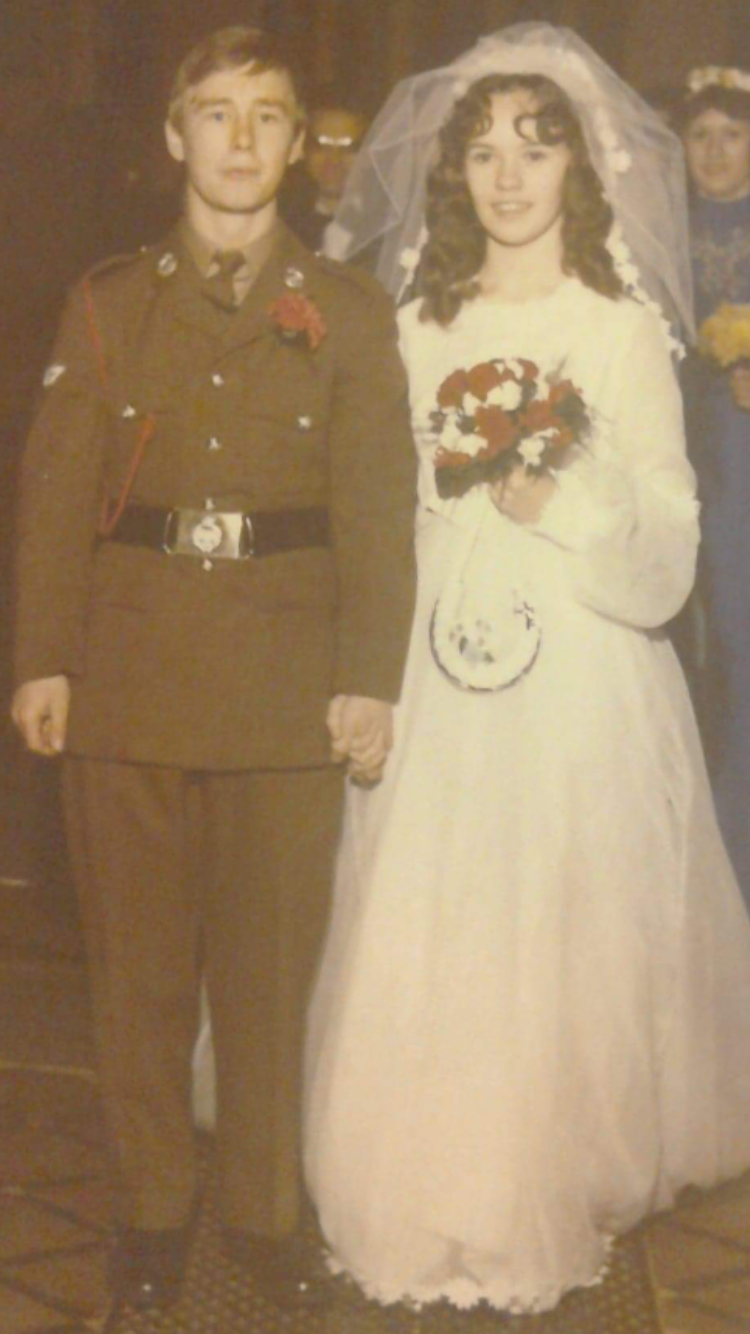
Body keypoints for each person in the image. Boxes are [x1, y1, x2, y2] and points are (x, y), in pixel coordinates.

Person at [304, 23, 750, 1315]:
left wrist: (547, 501)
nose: (507, 177)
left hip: (576, 669)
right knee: (425, 897)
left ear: (578, 169)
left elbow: (667, 546)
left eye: (535, 150)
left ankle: (539, 1165)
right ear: (452, 173)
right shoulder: (414, 321)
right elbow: (369, 508)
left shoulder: (613, 328)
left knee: (552, 911)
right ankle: (411, 1166)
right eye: (484, 152)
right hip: (434, 654)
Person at [11, 24, 416, 1315]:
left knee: (264, 974)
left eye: (267, 119)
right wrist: (42, 660)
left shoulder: (349, 312)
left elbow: (378, 509)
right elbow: (55, 493)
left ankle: (259, 1213)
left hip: (287, 691)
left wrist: (368, 676)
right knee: (134, 975)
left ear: (300, 151)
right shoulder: (107, 299)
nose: (239, 142)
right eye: (216, 115)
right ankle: (144, 1211)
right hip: (127, 678)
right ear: (172, 136)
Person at [680, 66, 750, 907]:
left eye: (731, 134)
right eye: (700, 135)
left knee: (739, 633)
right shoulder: (661, 228)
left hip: (743, 448)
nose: (715, 151)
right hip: (684, 437)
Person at [282, 99, 368, 251]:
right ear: (304, 151)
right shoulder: (282, 217)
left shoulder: (385, 221)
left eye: (348, 148)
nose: (334, 160)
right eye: (322, 146)